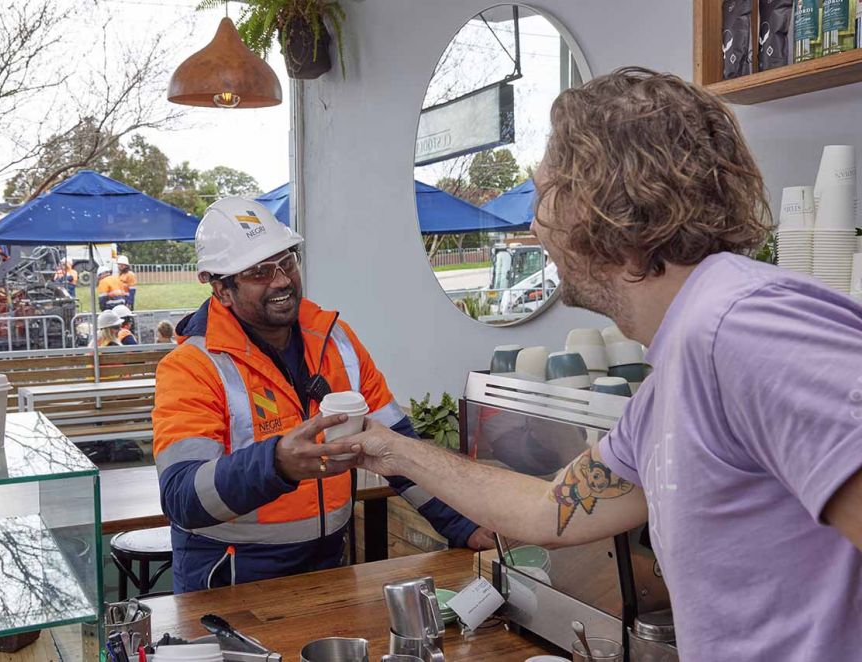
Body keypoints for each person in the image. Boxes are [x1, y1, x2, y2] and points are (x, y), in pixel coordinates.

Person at [341, 68, 862, 661]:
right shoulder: (681, 365)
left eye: (543, 195)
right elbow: (550, 509)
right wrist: (391, 450)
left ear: (601, 202)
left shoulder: (741, 327)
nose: (534, 226)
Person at [152, 197, 494, 593]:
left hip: (330, 569)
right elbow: (182, 496)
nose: (281, 280)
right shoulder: (191, 366)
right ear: (221, 289)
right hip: (232, 580)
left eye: (287, 262)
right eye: (260, 272)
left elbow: (399, 449)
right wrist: (276, 464)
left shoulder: (338, 342)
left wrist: (463, 526)